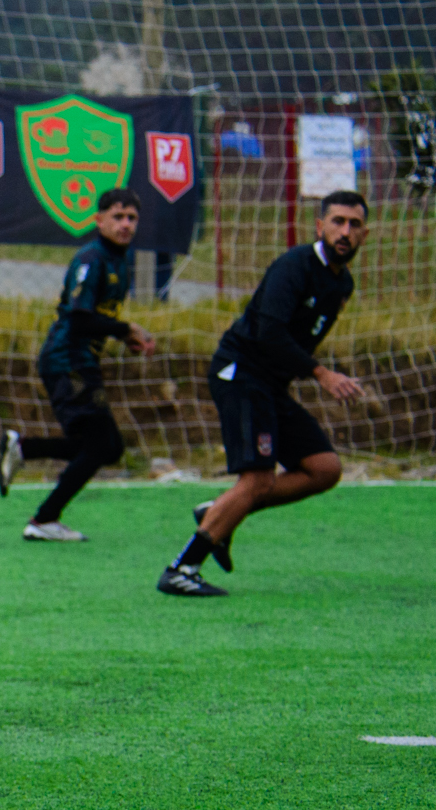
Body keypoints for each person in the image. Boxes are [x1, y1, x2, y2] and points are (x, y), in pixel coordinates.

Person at [157, 190, 370, 596]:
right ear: (319, 226)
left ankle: (218, 510)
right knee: (257, 478)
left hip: (269, 385)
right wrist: (322, 374)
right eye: (338, 222)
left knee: (324, 468)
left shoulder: (343, 283)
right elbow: (269, 333)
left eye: (354, 224)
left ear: (366, 234)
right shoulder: (294, 266)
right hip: (241, 373)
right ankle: (181, 569)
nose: (345, 231)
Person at [0, 188, 156, 540]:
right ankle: (43, 520)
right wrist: (125, 328)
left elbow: (98, 318)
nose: (125, 224)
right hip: (67, 361)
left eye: (131, 218)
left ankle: (24, 450)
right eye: (117, 216)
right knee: (101, 446)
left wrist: (123, 336)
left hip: (80, 362)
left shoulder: (118, 260)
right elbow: (81, 319)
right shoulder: (91, 259)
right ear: (99, 220)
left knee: (107, 447)